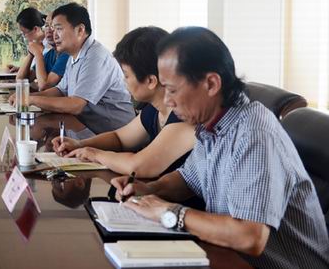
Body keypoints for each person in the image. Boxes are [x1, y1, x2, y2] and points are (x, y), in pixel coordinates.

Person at [113, 27, 329, 269]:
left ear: (211, 84)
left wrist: (169, 212)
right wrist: (147, 189)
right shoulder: (211, 125)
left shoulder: (254, 135)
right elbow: (187, 180)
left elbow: (250, 237)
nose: (167, 101)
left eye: (172, 90)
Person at [51, 26, 195, 178]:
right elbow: (119, 138)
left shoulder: (184, 118)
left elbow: (138, 166)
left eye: (126, 75)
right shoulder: (154, 110)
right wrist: (80, 144)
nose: (123, 80)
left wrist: (94, 154)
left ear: (151, 81)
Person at [19, 3, 134, 135]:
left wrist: (30, 100)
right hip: (89, 130)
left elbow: (75, 105)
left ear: (80, 30)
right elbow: (60, 90)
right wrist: (26, 96)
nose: (54, 35)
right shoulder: (73, 55)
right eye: (52, 29)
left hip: (117, 135)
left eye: (59, 29)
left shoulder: (95, 57)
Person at [14, 9, 68, 90]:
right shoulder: (50, 54)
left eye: (54, 26)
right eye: (46, 25)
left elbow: (44, 86)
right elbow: (20, 80)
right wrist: (31, 54)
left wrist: (38, 54)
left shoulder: (66, 55)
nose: (48, 30)